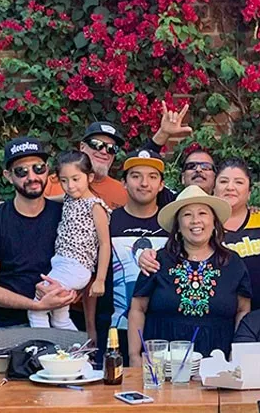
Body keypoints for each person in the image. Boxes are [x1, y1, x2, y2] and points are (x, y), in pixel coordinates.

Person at [128, 186, 251, 364]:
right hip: (162, 363)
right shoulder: (157, 261)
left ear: (214, 222)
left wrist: (236, 354)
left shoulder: (232, 263)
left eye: (202, 213)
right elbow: (138, 308)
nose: (195, 220)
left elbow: (243, 310)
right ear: (177, 226)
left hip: (217, 361)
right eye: (187, 215)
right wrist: (134, 355)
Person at [138, 158, 260, 310]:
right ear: (213, 188)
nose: (230, 187)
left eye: (239, 182)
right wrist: (147, 256)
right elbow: (168, 251)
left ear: (249, 192)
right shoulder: (198, 226)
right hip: (217, 310)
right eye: (223, 181)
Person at [0, 137, 76, 329]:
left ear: (47, 170)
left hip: (58, 319)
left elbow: (84, 263)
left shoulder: (66, 215)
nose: (32, 177)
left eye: (38, 168)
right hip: (5, 325)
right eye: (21, 171)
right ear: (8, 175)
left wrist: (66, 293)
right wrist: (35, 306)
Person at [92, 150, 169, 362]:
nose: (144, 183)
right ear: (124, 183)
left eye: (152, 177)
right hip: (115, 330)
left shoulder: (173, 223)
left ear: (161, 185)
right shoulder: (108, 221)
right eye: (136, 176)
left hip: (161, 330)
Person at [29, 151, 111, 330]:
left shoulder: (95, 206)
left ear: (89, 177)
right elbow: (52, 199)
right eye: (64, 181)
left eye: (76, 179)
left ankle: (41, 344)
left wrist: (100, 279)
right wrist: (39, 200)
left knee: (37, 308)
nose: (70, 186)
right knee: (60, 317)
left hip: (75, 267)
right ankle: (75, 347)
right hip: (61, 263)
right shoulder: (69, 198)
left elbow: (105, 244)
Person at [44, 122, 128, 209]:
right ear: (82, 147)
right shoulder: (50, 184)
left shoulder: (124, 192)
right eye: (96, 144)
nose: (104, 152)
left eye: (112, 148)